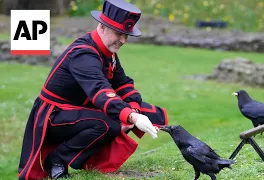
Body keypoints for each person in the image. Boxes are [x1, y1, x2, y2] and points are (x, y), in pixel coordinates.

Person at [17, 0, 168, 179]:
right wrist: (132, 117)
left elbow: (122, 82)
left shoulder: (106, 51)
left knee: (151, 113)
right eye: (119, 33)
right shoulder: (83, 54)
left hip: (78, 110)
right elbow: (100, 92)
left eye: (126, 35)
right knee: (107, 124)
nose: (123, 40)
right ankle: (57, 159)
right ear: (102, 27)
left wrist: (134, 108)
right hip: (54, 116)